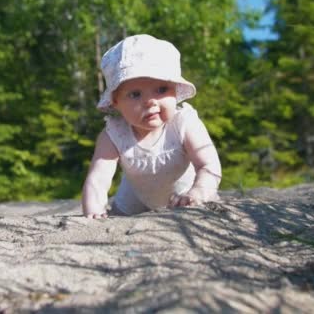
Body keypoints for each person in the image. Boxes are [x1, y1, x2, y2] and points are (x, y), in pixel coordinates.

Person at [81, 34, 222, 218]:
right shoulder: (114, 134)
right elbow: (98, 179)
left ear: (175, 90)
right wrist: (94, 210)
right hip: (134, 197)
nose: (150, 102)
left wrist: (198, 192)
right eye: (135, 94)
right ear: (116, 101)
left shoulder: (184, 123)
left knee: (207, 204)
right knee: (117, 213)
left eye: (162, 89)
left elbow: (208, 165)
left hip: (185, 193)